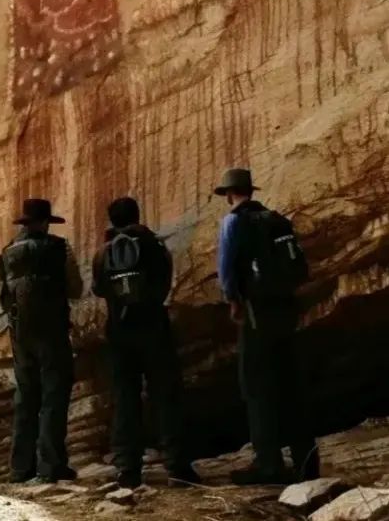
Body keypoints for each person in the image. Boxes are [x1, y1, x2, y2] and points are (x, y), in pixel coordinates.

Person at [215, 168, 318, 485]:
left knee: (257, 386)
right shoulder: (276, 219)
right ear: (251, 190)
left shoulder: (233, 222)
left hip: (256, 312)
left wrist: (233, 301)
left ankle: (268, 463)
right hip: (286, 310)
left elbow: (226, 270)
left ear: (229, 194)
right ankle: (307, 461)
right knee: (291, 384)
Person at [92, 197, 199, 488]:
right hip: (154, 327)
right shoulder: (154, 245)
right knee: (165, 395)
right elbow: (165, 282)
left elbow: (98, 289)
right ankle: (177, 467)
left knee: (125, 397)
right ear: (137, 215)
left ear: (112, 220)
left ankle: (127, 469)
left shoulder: (103, 252)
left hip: (119, 331)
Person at [0, 198, 83, 484]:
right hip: (52, 331)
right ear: (46, 222)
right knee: (53, 396)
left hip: (20, 333)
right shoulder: (58, 248)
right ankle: (51, 465)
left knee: (25, 397)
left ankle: (20, 468)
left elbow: (4, 296)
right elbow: (75, 288)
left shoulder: (7, 252)